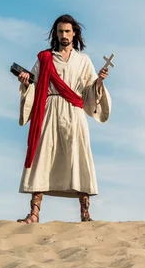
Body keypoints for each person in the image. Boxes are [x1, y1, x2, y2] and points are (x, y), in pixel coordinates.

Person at [16, 14, 111, 224]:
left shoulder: (83, 60)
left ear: (74, 33)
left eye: (67, 31)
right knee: (42, 157)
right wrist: (25, 83)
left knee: (79, 156)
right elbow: (33, 84)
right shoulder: (45, 58)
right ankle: (34, 214)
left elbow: (89, 92)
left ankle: (85, 214)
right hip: (49, 111)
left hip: (74, 112)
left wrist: (99, 82)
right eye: (60, 31)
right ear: (55, 34)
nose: (64, 35)